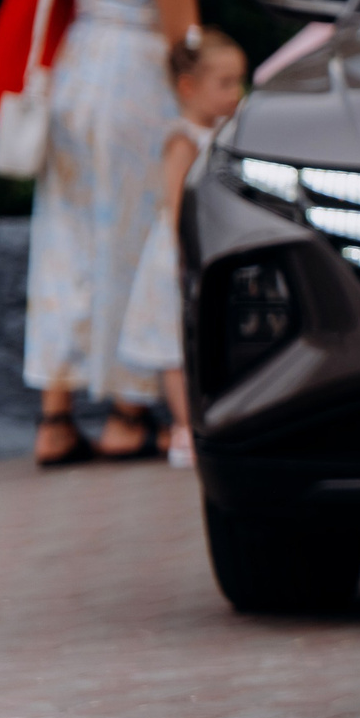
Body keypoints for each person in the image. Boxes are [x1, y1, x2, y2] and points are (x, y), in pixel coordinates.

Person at [23, 0, 205, 466]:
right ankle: (129, 411)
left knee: (65, 239)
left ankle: (55, 415)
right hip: (136, 86)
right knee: (133, 236)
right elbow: (181, 31)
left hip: (75, 78)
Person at [115, 29, 247, 467]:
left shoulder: (232, 134)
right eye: (225, 84)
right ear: (189, 88)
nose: (237, 93)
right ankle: (184, 425)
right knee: (173, 345)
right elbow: (175, 204)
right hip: (180, 255)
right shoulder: (183, 139)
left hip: (214, 249)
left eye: (239, 82)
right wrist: (184, 251)